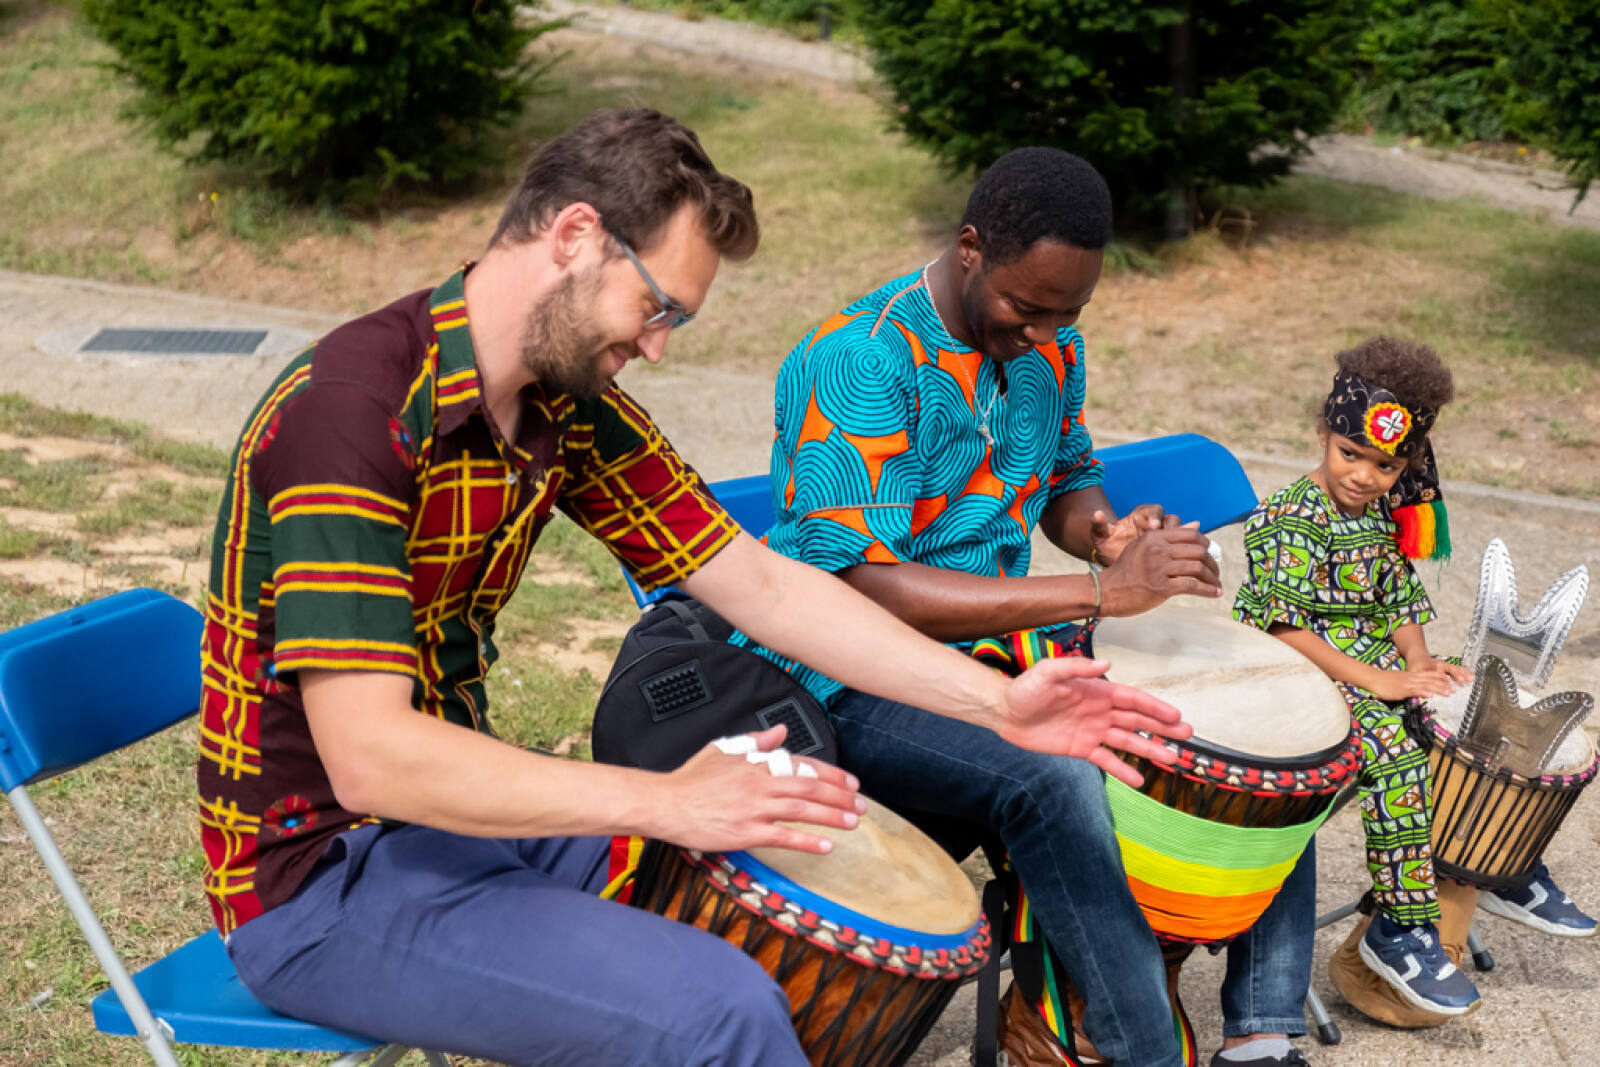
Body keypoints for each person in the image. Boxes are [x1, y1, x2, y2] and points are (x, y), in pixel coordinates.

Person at [194, 108, 1192, 1067]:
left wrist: (999, 705)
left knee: (760, 919)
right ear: (575, 236)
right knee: (723, 1005)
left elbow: (764, 584)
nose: (657, 345)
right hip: (322, 876)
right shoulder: (351, 415)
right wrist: (671, 800)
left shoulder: (563, 406)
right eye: (658, 306)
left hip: (452, 820)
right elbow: (370, 760)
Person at [745, 146, 1313, 1067]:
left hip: (1000, 650)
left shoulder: (1049, 344)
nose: (1044, 333)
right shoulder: (859, 357)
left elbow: (1066, 479)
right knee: (1053, 775)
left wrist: (1107, 534)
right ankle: (1138, 1046)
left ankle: (1262, 1026)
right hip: (850, 674)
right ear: (971, 248)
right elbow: (864, 585)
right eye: (1025, 307)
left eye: (1067, 314)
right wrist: (1099, 590)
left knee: (1238, 731)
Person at [1235, 336, 1595, 1021]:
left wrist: (1418, 666)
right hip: (1302, 669)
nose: (1364, 476)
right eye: (1351, 454)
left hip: (1363, 660)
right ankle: (1399, 928)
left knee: (1479, 713)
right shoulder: (1289, 518)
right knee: (1400, 751)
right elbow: (1284, 629)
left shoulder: (1374, 512)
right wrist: (1379, 680)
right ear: (1323, 432)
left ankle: (1500, 863)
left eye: (1386, 465)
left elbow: (1397, 600)